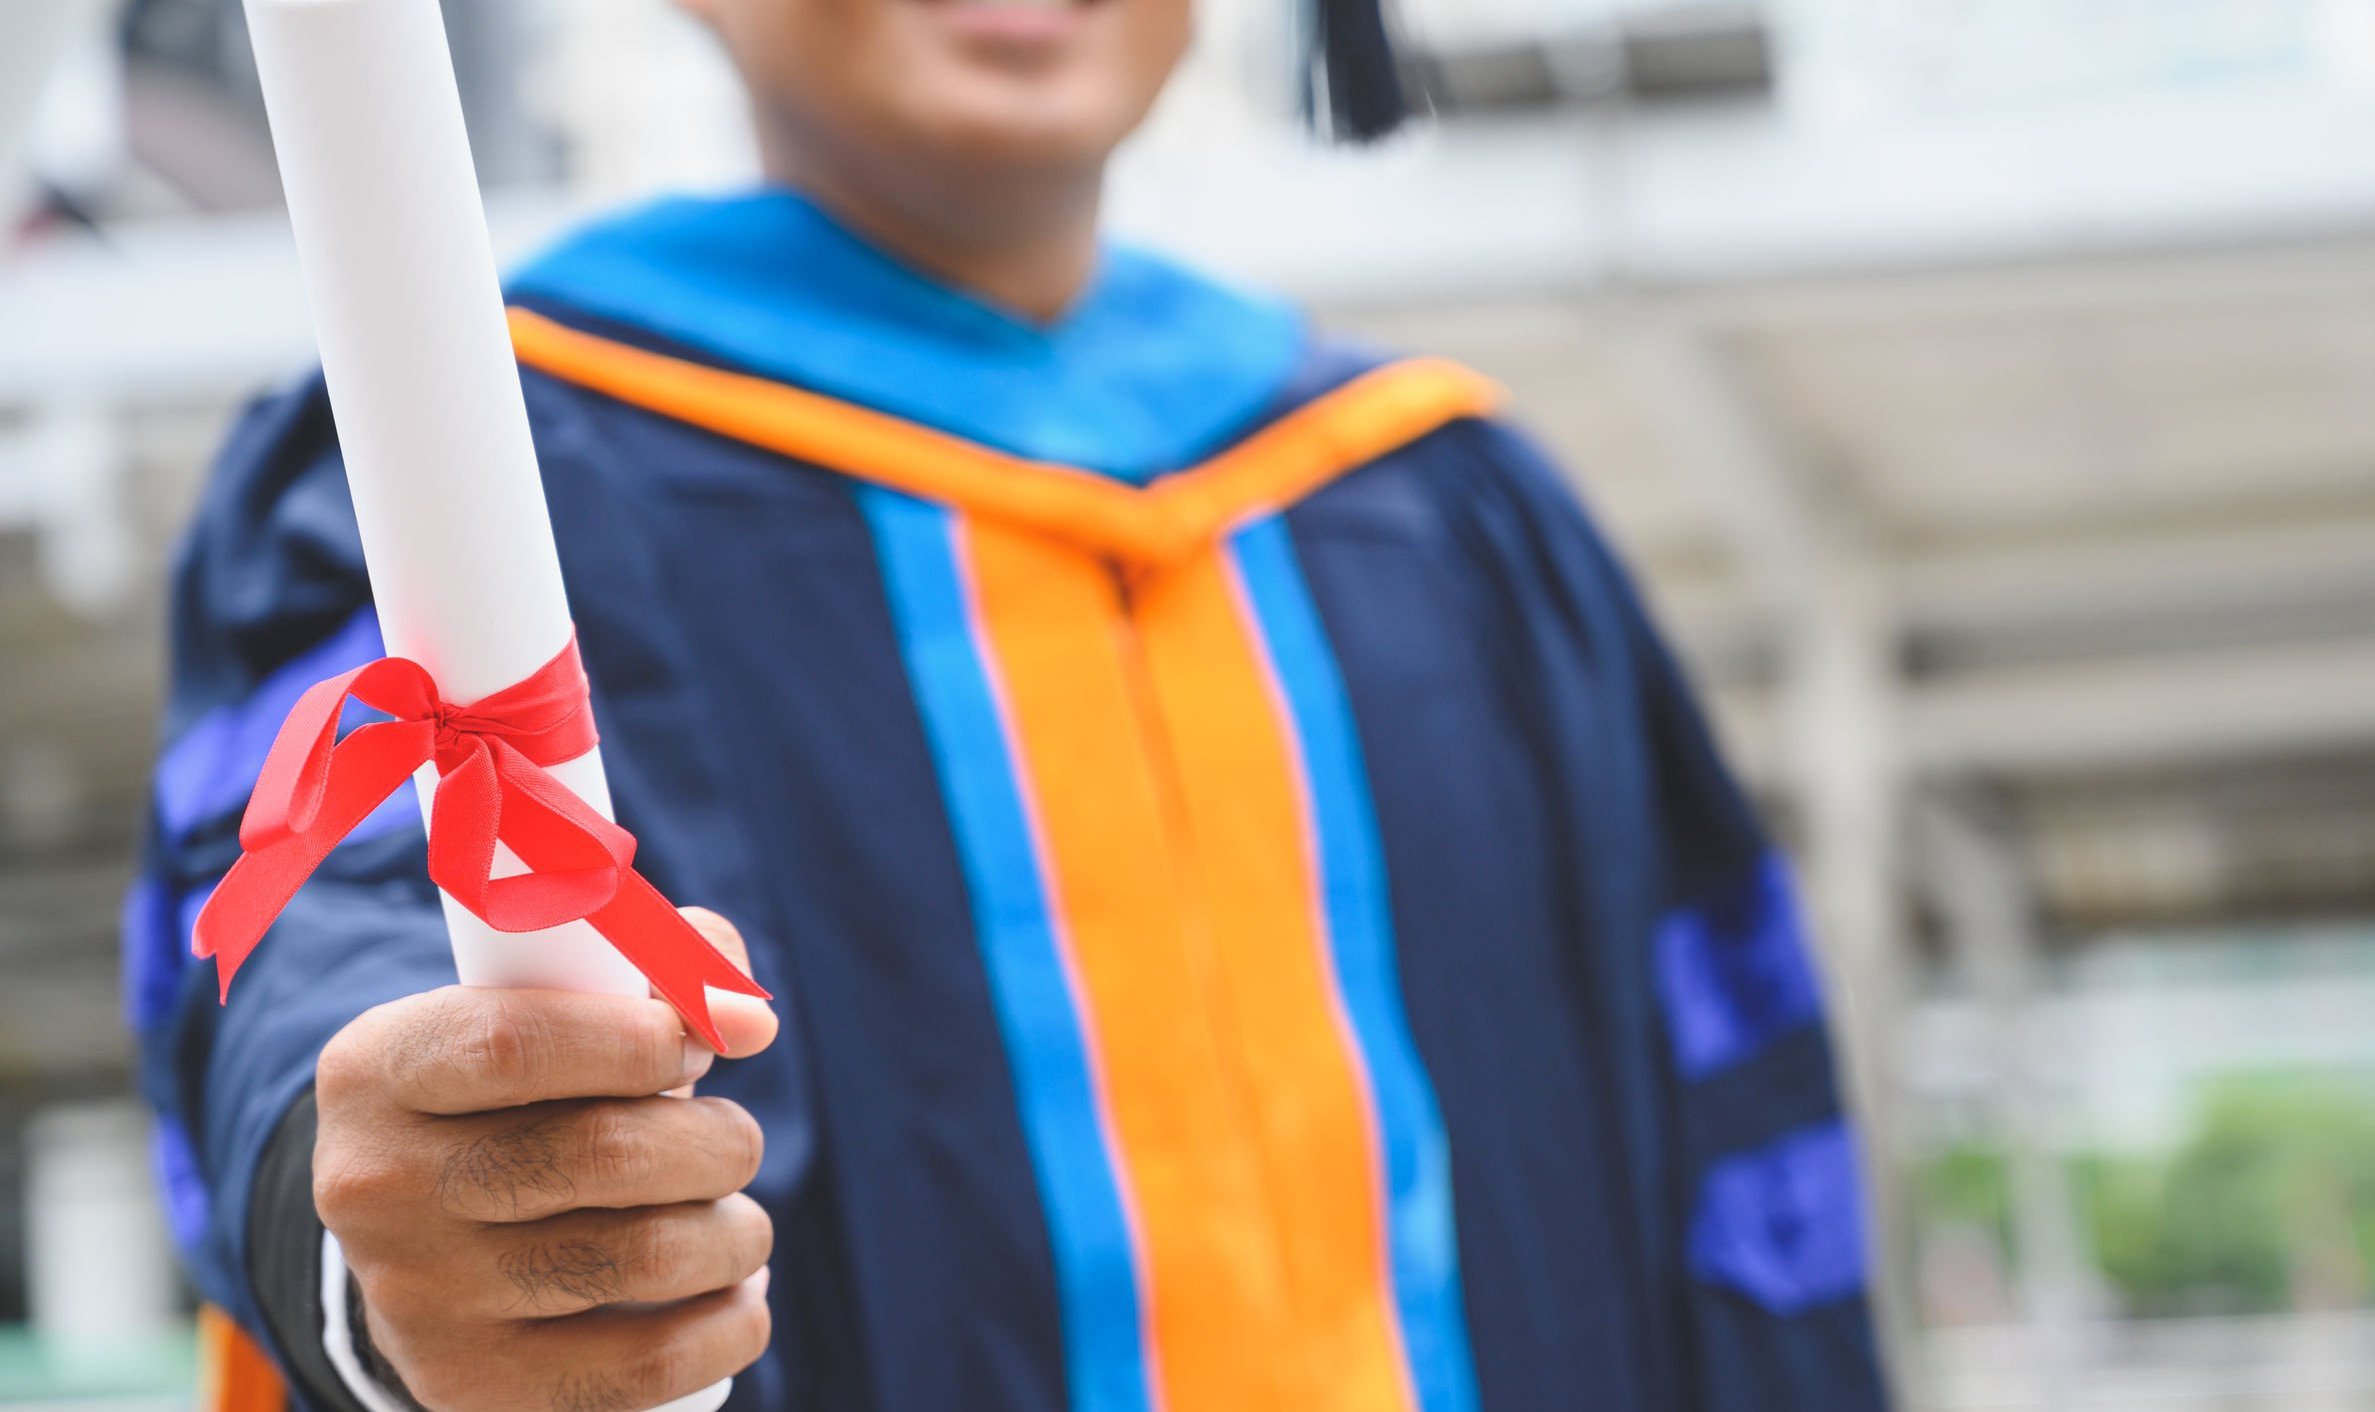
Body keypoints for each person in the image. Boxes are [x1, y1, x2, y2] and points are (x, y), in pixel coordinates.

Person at [130, 0, 1886, 1409]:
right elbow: (318, 931)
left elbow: (1743, 1153)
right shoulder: (477, 472)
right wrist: (401, 1241)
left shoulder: (1454, 506)